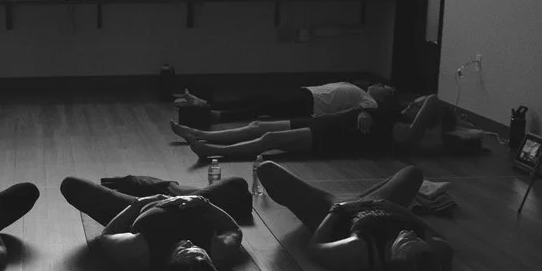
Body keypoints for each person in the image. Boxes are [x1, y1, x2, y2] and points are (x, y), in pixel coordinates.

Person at [253, 160, 455, 271]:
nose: (410, 233)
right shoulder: (434, 252)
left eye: (407, 241)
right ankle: (362, 198)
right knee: (413, 172)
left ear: (394, 258)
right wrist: (395, 209)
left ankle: (355, 200)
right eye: (418, 239)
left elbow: (315, 247)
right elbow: (431, 233)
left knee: (267, 169)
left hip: (338, 213)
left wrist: (338, 209)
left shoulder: (358, 249)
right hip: (381, 204)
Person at [58, 174, 252, 271]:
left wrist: (139, 204)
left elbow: (107, 236)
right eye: (198, 249)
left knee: (71, 185)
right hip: (192, 203)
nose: (190, 242)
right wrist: (204, 203)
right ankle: (172, 188)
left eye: (184, 250)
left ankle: (147, 186)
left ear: (172, 262)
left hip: (141, 209)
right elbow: (232, 228)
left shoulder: (141, 251)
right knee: (238, 184)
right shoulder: (217, 253)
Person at [171, 94, 453, 162]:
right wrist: (366, 111)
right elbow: (366, 106)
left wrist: (434, 109)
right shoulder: (392, 109)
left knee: (270, 138)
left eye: (418, 105)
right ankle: (201, 134)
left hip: (332, 137)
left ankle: (214, 152)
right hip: (323, 122)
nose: (415, 102)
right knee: (258, 124)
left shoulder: (405, 132)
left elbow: (433, 101)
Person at [176, 80, 391, 123]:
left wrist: (367, 114)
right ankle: (205, 104)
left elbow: (365, 114)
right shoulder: (362, 90)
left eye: (385, 87)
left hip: (309, 104)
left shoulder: (369, 101)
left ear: (382, 96)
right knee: (253, 98)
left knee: (262, 107)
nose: (380, 84)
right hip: (305, 92)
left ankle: (218, 115)